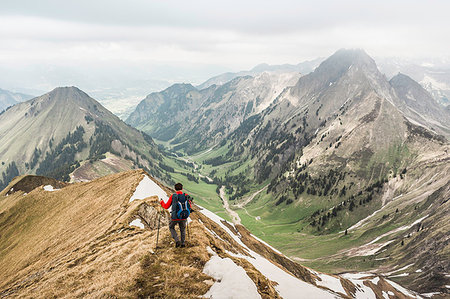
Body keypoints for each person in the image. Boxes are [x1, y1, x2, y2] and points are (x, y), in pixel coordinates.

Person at [160, 182, 192, 248]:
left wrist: (161, 202)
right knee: (182, 229)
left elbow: (166, 206)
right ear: (182, 188)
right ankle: (183, 244)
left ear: (175, 189)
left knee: (171, 227)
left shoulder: (173, 196)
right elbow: (190, 205)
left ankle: (177, 241)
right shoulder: (186, 195)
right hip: (184, 216)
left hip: (175, 217)